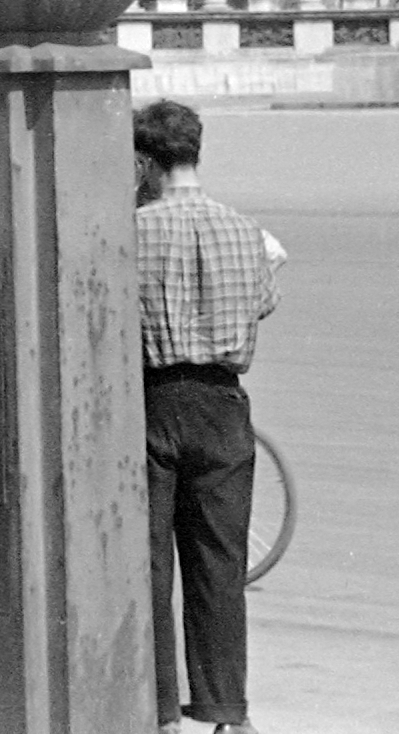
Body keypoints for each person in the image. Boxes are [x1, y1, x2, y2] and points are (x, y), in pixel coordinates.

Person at [134, 100, 284, 734]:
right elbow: (266, 302)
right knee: (218, 567)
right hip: (224, 406)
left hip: (155, 402)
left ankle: (162, 713)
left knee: (147, 566)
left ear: (144, 161)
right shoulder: (245, 229)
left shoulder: (131, 229)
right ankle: (228, 712)